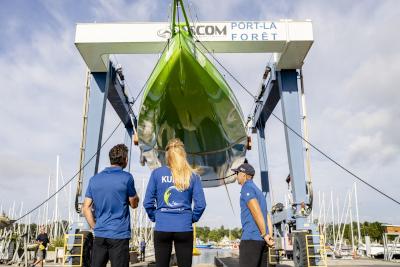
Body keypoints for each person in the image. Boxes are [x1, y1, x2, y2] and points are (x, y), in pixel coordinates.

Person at [143, 138, 206, 267]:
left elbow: (147, 203)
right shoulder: (192, 176)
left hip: (162, 227)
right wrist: (191, 218)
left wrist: (156, 217)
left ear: (167, 155)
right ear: (183, 154)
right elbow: (201, 204)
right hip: (184, 226)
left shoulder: (156, 174)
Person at [83, 144, 139, 267]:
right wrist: (136, 198)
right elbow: (134, 204)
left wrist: (95, 227)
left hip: (100, 235)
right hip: (119, 235)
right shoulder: (127, 178)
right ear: (125, 159)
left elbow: (85, 207)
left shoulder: (94, 179)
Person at [232, 162, 274, 267]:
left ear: (243, 175)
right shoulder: (258, 191)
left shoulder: (247, 188)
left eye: (237, 173)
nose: (236, 175)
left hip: (251, 239)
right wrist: (269, 236)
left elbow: (256, 212)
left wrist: (264, 234)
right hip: (262, 241)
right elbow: (267, 216)